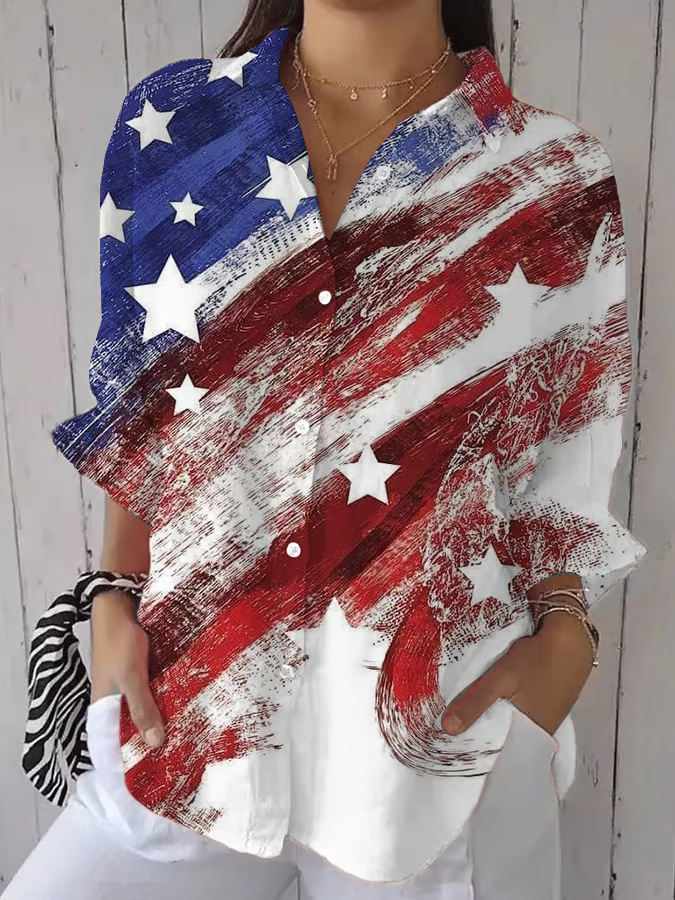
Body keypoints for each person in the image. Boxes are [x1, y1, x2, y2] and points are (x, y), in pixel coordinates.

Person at [7, 0, 647, 898]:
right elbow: (143, 407)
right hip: (187, 729)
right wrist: (113, 595)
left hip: (431, 766)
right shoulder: (177, 125)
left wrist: (561, 650)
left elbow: (564, 468)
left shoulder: (551, 175)